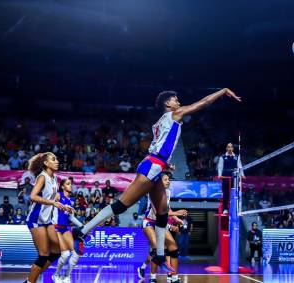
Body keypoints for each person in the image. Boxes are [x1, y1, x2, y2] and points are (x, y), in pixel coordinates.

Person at [72, 88, 241, 272]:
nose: (179, 102)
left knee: (162, 212)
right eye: (176, 100)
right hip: (152, 166)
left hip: (157, 166)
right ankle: (82, 231)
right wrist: (223, 91)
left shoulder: (160, 122)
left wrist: (166, 165)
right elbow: (204, 102)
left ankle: (159, 256)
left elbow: (159, 146)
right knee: (121, 205)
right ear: (168, 104)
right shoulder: (175, 114)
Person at [24, 152, 69, 283]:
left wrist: (61, 205)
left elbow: (52, 198)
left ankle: (32, 277)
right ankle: (30, 281)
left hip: (47, 220)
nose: (57, 161)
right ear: (45, 163)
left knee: (56, 252)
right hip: (36, 219)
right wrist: (52, 202)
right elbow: (33, 196)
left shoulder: (54, 178)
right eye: (53, 159)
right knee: (43, 255)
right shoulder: (42, 177)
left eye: (57, 159)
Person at [137, 172, 187, 283]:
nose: (168, 181)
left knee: (173, 248)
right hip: (149, 222)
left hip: (160, 224)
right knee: (158, 250)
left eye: (169, 180)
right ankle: (153, 277)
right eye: (165, 179)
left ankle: (174, 277)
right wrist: (176, 214)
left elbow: (167, 209)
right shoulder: (153, 192)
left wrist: (176, 219)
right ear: (159, 182)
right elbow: (158, 213)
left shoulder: (168, 193)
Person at [52, 179, 84, 283]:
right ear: (62, 186)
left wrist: (82, 226)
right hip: (55, 227)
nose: (70, 186)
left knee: (76, 254)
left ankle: (66, 276)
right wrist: (60, 205)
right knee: (65, 254)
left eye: (71, 184)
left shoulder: (71, 201)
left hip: (65, 228)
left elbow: (71, 218)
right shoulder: (58, 195)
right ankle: (56, 275)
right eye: (68, 184)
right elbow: (50, 203)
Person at [217, 143, 245, 214]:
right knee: (225, 194)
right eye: (228, 147)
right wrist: (219, 175)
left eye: (231, 147)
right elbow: (220, 167)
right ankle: (225, 209)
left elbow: (240, 167)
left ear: (232, 148)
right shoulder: (222, 157)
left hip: (234, 177)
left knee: (235, 193)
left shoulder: (237, 157)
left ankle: (236, 208)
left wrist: (242, 175)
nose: (230, 148)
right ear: (226, 148)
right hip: (225, 177)